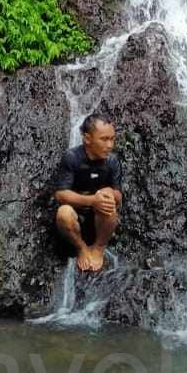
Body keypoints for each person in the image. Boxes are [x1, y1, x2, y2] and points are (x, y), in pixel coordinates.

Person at [53, 113, 124, 273]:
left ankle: (99, 247)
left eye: (112, 139)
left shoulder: (112, 161)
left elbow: (119, 196)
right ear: (87, 138)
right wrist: (92, 200)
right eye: (104, 139)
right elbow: (60, 195)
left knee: (109, 203)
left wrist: (111, 193)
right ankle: (82, 248)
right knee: (63, 213)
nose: (110, 145)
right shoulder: (71, 157)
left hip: (100, 220)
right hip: (75, 218)